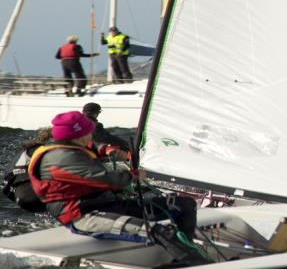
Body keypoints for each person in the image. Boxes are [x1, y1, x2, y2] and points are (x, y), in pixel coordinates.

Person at [29, 110, 199, 260]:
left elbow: (92, 147)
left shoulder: (68, 147)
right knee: (160, 231)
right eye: (89, 132)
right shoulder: (60, 157)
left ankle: (183, 257)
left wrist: (107, 150)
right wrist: (133, 175)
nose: (91, 136)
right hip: (84, 216)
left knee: (184, 204)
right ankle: (194, 263)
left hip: (111, 205)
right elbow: (103, 179)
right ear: (78, 135)